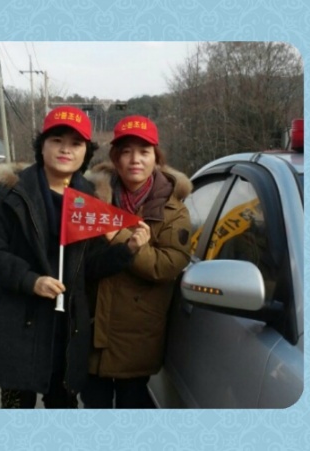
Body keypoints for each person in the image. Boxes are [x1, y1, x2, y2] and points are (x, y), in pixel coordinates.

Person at [0, 106, 150, 409]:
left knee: (62, 407)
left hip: (67, 327)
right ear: (42, 146)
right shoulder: (12, 192)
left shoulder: (91, 198)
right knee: (16, 408)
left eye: (76, 143)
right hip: (17, 321)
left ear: (86, 151)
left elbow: (90, 265)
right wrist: (31, 280)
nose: (65, 149)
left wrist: (126, 250)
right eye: (57, 140)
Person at [80, 115, 193, 408]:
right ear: (115, 157)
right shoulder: (92, 199)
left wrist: (119, 238)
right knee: (94, 405)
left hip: (137, 335)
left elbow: (168, 265)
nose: (135, 160)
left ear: (156, 158)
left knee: (132, 404)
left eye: (144, 151)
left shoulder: (173, 210)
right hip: (92, 326)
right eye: (126, 151)